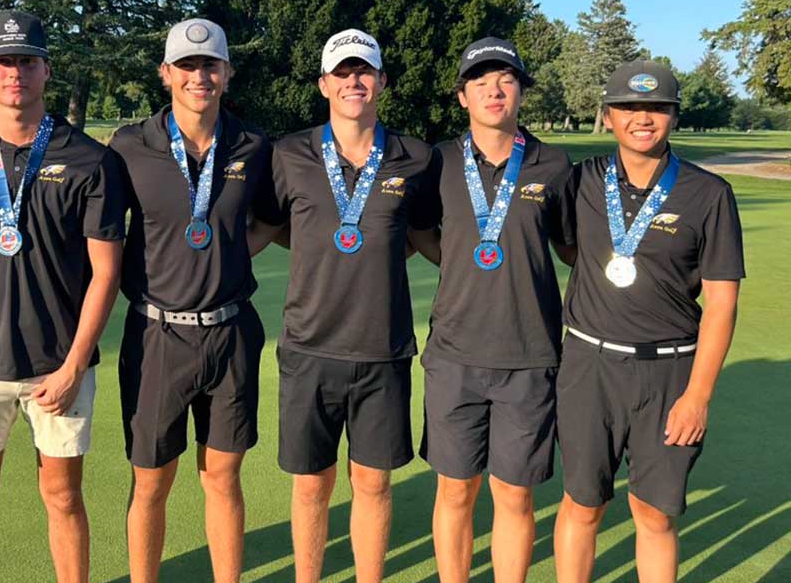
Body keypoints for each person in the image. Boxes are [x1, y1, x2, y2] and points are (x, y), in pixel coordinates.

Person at [0, 10, 124, 583]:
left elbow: (105, 273)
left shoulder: (90, 159)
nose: (16, 73)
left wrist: (74, 365)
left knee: (63, 499)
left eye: (27, 61)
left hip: (57, 364)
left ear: (45, 71)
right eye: (4, 62)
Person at [553, 60, 744, 583]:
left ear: (674, 117)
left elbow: (723, 303)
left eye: (657, 107)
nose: (643, 117)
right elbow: (567, 246)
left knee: (655, 514)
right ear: (609, 115)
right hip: (588, 366)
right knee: (583, 504)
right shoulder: (581, 181)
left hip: (669, 374)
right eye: (630, 107)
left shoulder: (709, 194)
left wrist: (698, 395)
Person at [265, 29, 440, 582]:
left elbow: (426, 233)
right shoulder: (289, 153)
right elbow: (274, 226)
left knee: (373, 482)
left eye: (364, 71)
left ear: (382, 81)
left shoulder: (416, 157)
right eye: (342, 73)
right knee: (312, 484)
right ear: (323, 84)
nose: (353, 82)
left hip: (382, 349)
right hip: (308, 347)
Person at [107, 18, 276, 583]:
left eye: (210, 65)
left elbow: (268, 223)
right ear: (166, 74)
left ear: (227, 72)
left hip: (231, 332)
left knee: (223, 477)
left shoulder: (253, 145)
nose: (198, 76)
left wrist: (225, 255)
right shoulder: (130, 145)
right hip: (157, 335)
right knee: (151, 480)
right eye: (186, 66)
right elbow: (106, 234)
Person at [408, 37, 576, 582]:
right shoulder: (436, 161)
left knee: (514, 494)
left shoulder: (553, 164)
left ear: (522, 91)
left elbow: (572, 246)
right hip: (455, 356)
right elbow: (419, 228)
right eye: (480, 82)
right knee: (455, 489)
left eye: (505, 80)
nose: (494, 90)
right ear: (463, 97)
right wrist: (458, 260)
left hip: (530, 356)